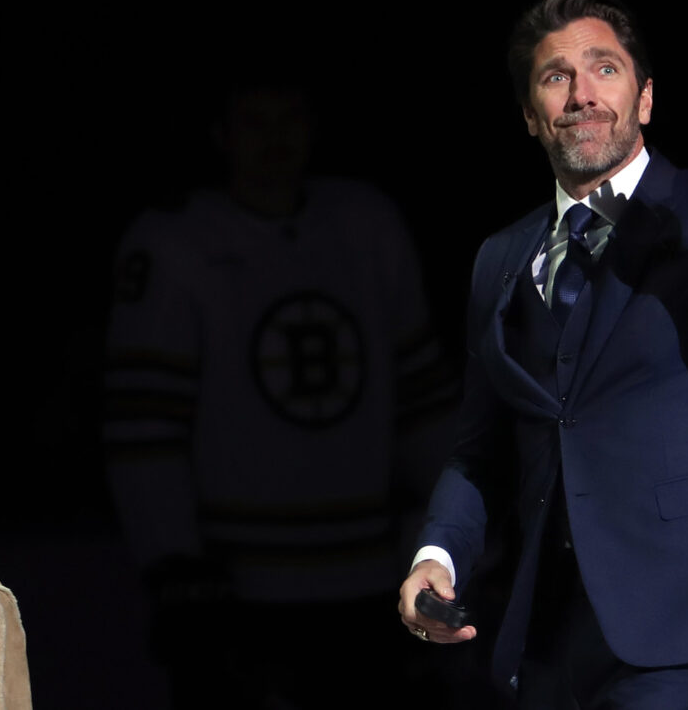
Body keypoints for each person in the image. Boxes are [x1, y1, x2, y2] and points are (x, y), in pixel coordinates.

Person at [397, 0, 688, 708]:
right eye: (555, 76)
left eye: (604, 69)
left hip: (687, 618)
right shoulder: (500, 257)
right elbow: (481, 445)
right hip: (551, 637)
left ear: (647, 99)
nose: (581, 93)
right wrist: (437, 555)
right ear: (532, 118)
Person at [105, 80, 459, 709]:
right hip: (235, 588)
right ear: (220, 135)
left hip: (368, 573)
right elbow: (143, 426)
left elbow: (421, 398)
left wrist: (447, 534)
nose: (274, 140)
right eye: (253, 121)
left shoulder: (365, 223)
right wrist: (173, 560)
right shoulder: (173, 244)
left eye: (289, 117)